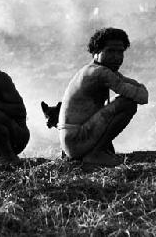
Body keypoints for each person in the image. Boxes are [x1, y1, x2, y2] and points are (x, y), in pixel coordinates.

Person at [58, 28, 148, 167]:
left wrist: (140, 89)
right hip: (76, 140)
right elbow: (140, 96)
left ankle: (98, 151)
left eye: (120, 52)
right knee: (127, 104)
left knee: (121, 102)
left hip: (73, 141)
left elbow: (137, 90)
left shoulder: (99, 70)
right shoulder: (99, 72)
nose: (117, 57)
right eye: (110, 51)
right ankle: (96, 153)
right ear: (96, 52)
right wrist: (140, 90)